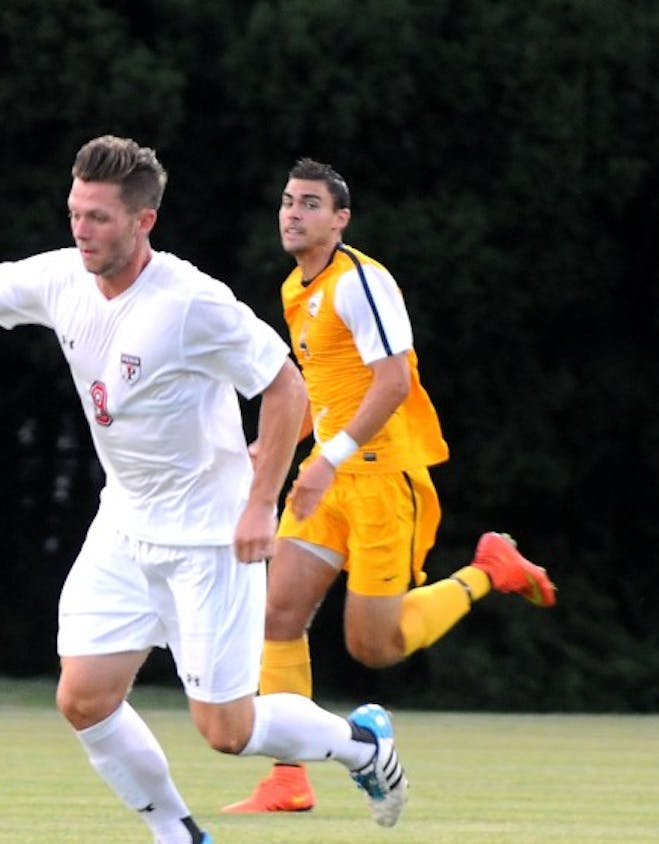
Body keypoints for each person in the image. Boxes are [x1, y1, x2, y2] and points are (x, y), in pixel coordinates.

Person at [0, 136, 412, 841]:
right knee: (83, 698)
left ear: (143, 222)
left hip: (210, 538)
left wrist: (261, 501)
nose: (81, 230)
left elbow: (286, 386)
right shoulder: (60, 276)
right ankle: (179, 836)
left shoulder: (191, 303)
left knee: (228, 730)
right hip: (125, 529)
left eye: (99, 217)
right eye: (75, 212)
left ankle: (363, 746)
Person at [222, 158, 558, 815]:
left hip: (381, 480)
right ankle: (289, 780)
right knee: (278, 615)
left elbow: (394, 382)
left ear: (340, 219)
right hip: (328, 478)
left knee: (373, 646)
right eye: (288, 201)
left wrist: (326, 460)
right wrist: (274, 449)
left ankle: (489, 571)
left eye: (311, 204)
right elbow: (323, 394)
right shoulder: (296, 288)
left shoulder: (362, 281)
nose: (293, 213)